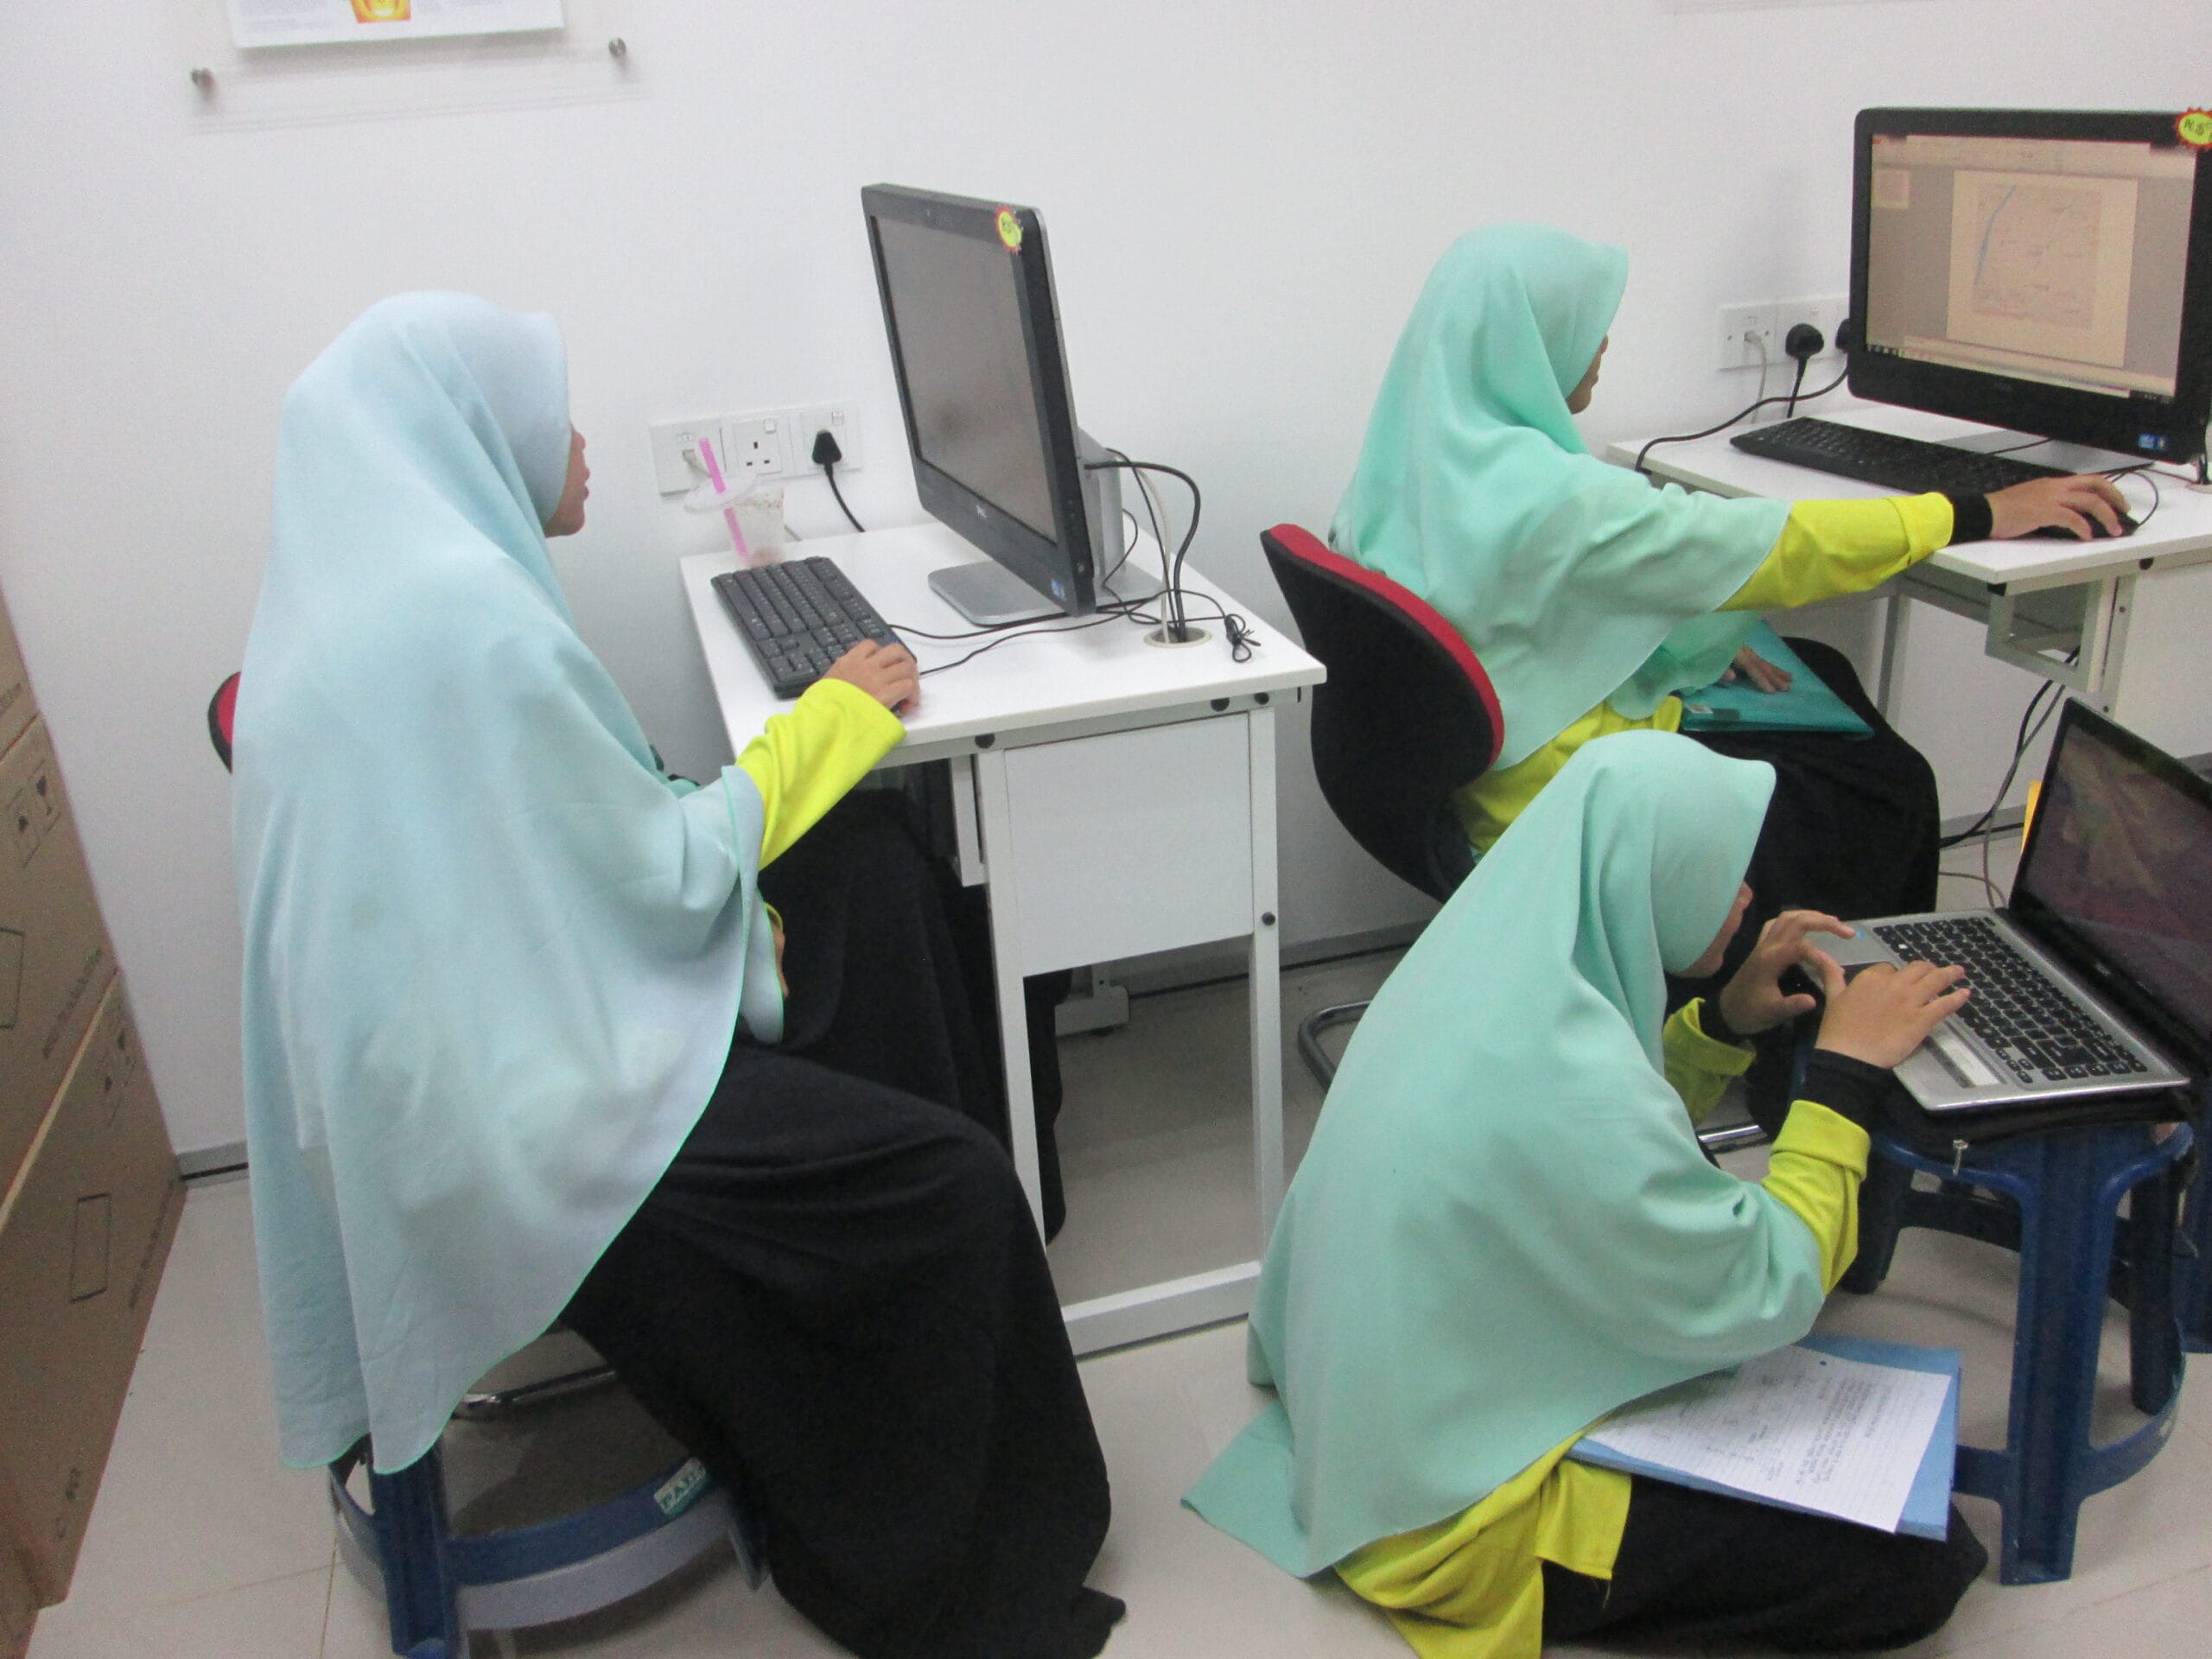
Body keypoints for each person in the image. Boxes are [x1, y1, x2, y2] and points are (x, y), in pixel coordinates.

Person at [232, 293, 1122, 1659]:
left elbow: (598, 852)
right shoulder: (462, 622)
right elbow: (652, 877)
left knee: (877, 863)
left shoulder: (366, 592)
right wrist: (814, 751)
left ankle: (900, 1179)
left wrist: (790, 786)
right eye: (552, 417)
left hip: (470, 1043)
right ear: (471, 435)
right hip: (521, 1118)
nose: (580, 446)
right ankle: (950, 1568)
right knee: (953, 1190)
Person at [1184, 733, 1988, 1656]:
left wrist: (1724, 1022)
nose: (1744, 897)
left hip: (1380, 1403)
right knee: (1921, 1565)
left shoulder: (1493, 968)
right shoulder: (1575, 1088)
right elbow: (1769, 1284)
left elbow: (1602, 1149)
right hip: (1443, 1510)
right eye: (1717, 870)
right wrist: (1845, 1073)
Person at [1332, 224, 2132, 1126]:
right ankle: (1832, 1049)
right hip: (1570, 796)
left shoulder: (1411, 458)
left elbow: (1533, 599)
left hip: (1478, 777)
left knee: (1815, 666)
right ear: (1529, 344)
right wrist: (1974, 511)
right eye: (1588, 325)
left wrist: (1691, 622)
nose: (1604, 344)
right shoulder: (1555, 496)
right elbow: (1774, 546)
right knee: (1891, 788)